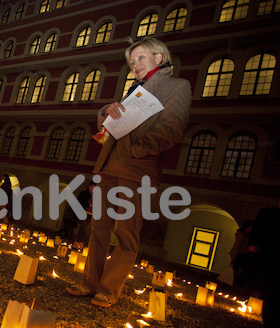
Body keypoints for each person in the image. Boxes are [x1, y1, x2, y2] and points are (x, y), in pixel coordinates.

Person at [66, 36, 192, 308]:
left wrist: (137, 148)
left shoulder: (177, 87)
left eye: (141, 58)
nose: (135, 65)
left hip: (138, 170)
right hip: (109, 166)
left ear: (159, 58)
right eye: (132, 62)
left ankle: (108, 289)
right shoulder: (134, 90)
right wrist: (106, 110)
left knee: (125, 233)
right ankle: (89, 283)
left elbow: (173, 128)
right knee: (98, 229)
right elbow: (106, 130)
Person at [248, 197, 280, 328]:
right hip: (271, 259)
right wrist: (253, 244)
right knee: (272, 295)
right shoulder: (268, 214)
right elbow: (258, 230)